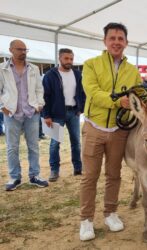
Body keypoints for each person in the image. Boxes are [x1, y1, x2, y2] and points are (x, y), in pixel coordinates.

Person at [79, 22, 142, 241]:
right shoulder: (90, 65)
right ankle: (86, 220)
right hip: (94, 128)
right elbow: (93, 93)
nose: (116, 42)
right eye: (112, 38)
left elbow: (139, 95)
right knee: (89, 176)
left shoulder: (133, 71)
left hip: (119, 131)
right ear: (105, 41)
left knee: (113, 175)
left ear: (126, 42)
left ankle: (110, 213)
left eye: (120, 38)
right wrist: (118, 101)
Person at [0, 40, 48, 191]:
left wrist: (39, 105)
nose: (23, 52)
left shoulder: (33, 68)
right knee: (12, 148)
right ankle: (15, 177)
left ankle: (35, 175)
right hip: (11, 113)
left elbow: (40, 89)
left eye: (25, 49)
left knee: (33, 146)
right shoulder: (2, 69)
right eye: (19, 49)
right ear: (11, 50)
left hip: (31, 113)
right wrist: (3, 107)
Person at [42, 48, 85, 182]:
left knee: (76, 142)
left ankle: (78, 168)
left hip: (74, 112)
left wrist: (80, 107)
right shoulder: (50, 75)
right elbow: (45, 96)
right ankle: (54, 170)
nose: (69, 61)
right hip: (56, 114)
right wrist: (46, 115)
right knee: (55, 143)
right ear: (60, 58)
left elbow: (82, 92)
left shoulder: (77, 74)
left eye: (71, 59)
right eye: (66, 58)